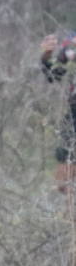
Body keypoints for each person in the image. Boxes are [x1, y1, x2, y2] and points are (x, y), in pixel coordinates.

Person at [40, 31, 76, 191]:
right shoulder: (72, 43)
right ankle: (68, 213)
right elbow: (54, 74)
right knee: (63, 178)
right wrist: (47, 56)